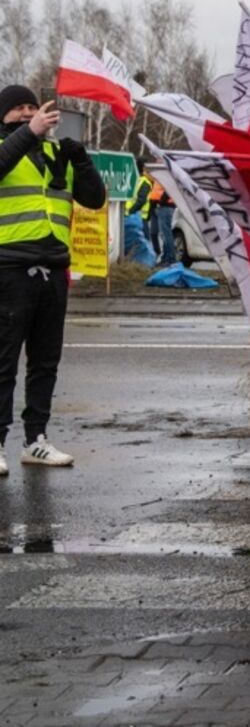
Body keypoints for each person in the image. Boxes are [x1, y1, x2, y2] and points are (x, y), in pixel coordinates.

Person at [0, 86, 106, 473]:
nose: (28, 113)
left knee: (45, 361)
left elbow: (94, 199)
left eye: (33, 107)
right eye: (19, 109)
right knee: (3, 361)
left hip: (53, 269)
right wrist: (28, 131)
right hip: (8, 268)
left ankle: (36, 440)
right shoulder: (7, 148)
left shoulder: (52, 154)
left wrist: (81, 161)